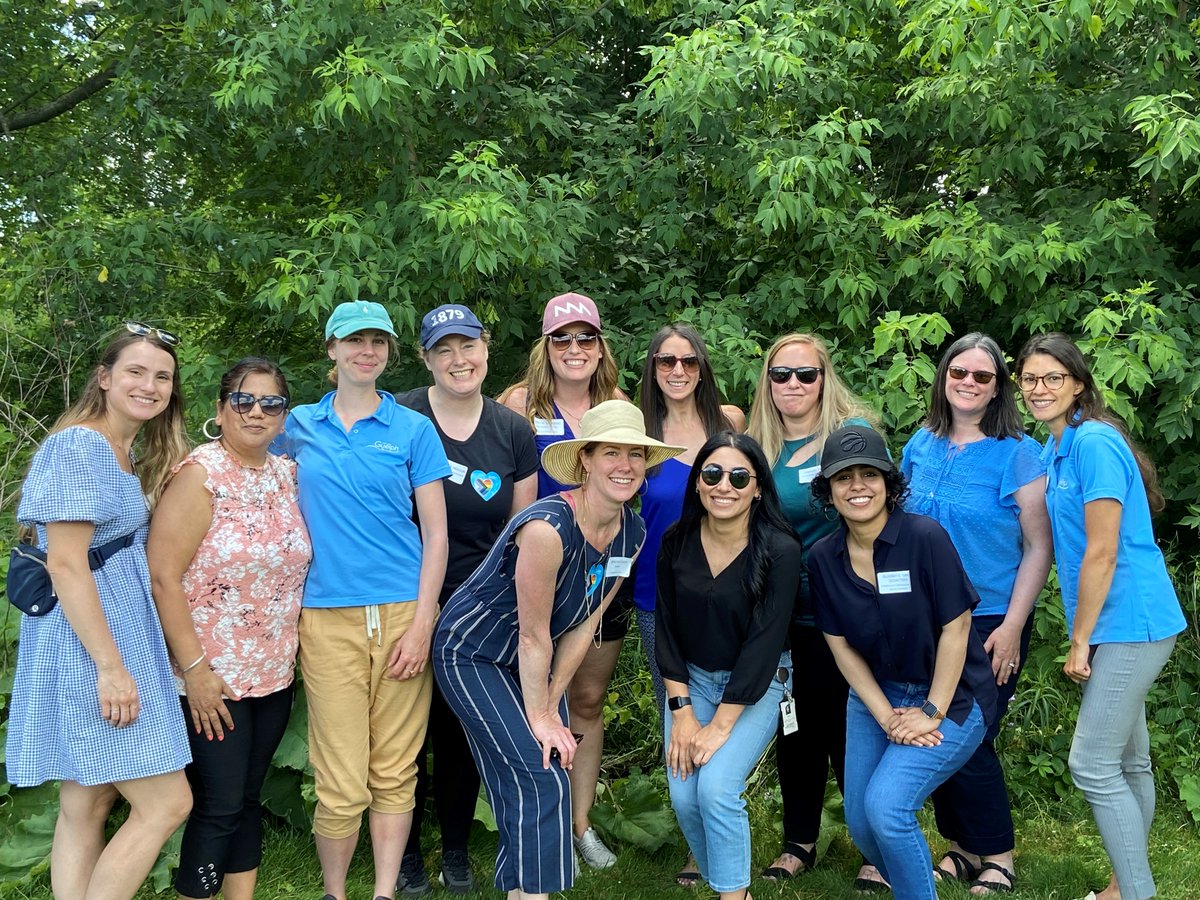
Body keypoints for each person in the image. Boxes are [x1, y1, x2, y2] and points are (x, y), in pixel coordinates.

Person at [432, 400, 685, 900]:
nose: (625, 466)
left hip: (535, 656)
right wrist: (542, 716)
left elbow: (585, 621)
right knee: (539, 767)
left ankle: (523, 888)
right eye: (611, 452)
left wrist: (552, 703)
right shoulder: (548, 527)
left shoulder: (632, 532)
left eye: (635, 455)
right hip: (475, 650)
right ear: (585, 459)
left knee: (550, 767)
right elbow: (532, 634)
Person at [6, 322, 193, 899]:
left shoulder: (122, 449)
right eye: (136, 372)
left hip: (109, 633)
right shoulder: (78, 447)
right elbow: (65, 564)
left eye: (162, 377)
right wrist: (111, 669)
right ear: (105, 377)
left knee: (88, 797)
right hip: (88, 643)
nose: (150, 385)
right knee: (167, 803)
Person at [273, 300, 451, 900]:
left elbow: (437, 533)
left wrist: (423, 624)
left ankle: (383, 892)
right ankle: (335, 892)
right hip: (325, 616)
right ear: (332, 349)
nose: (366, 350)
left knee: (396, 770)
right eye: (354, 340)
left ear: (389, 352)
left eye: (377, 341)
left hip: (404, 611)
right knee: (341, 779)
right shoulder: (295, 427)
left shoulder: (412, 429)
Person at [1015, 334, 1185, 900]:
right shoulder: (1057, 446)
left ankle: (1137, 894)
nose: (1039, 388)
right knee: (1130, 762)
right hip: (1119, 622)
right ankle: (1122, 885)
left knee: (1090, 763)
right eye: (1030, 379)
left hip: (1132, 622)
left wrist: (1079, 639)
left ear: (1079, 385)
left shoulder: (1094, 443)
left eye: (1052, 379)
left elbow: (1103, 551)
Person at [807, 425, 997, 900]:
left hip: (952, 697)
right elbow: (840, 646)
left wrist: (930, 711)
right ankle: (910, 878)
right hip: (877, 695)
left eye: (869, 474)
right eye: (843, 477)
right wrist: (886, 716)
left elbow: (956, 629)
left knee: (887, 807)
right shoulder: (823, 558)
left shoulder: (924, 537)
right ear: (828, 491)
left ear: (889, 483)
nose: (857, 487)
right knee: (861, 822)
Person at [147, 357, 312, 900]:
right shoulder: (201, 476)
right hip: (212, 677)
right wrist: (195, 672)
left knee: (246, 798)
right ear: (220, 411)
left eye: (271, 403)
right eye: (244, 400)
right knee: (216, 804)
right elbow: (163, 578)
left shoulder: (286, 475)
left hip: (272, 673)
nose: (257, 411)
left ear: (284, 417)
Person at [394, 304, 539, 895]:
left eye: (468, 346)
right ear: (426, 358)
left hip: (478, 611)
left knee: (459, 736)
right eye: (443, 349)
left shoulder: (511, 430)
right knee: (403, 735)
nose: (458, 359)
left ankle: (455, 850)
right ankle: (402, 854)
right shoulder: (400, 415)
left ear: (486, 349)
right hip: (404, 599)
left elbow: (524, 531)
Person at [900, 333, 1053, 895]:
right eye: (958, 372)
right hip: (923, 618)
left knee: (973, 734)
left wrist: (1013, 626)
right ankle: (962, 846)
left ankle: (1000, 854)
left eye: (982, 376)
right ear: (943, 378)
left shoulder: (1019, 452)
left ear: (997, 389)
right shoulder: (921, 443)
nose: (968, 382)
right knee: (936, 730)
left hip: (990, 617)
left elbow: (1039, 546)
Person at [744, 333, 881, 888]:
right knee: (793, 730)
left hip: (845, 611)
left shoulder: (850, 440)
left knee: (854, 730)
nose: (793, 385)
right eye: (781, 375)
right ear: (767, 382)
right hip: (779, 615)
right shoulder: (755, 445)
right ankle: (800, 841)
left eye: (806, 374)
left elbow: (880, 514)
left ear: (825, 378)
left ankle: (874, 844)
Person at [499, 291, 630, 868]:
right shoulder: (518, 406)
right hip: (540, 578)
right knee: (533, 701)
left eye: (586, 338)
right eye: (562, 338)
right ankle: (541, 821)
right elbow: (512, 498)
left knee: (587, 698)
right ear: (545, 347)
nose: (574, 349)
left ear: (601, 348)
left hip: (602, 574)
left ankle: (580, 825)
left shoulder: (619, 404)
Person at [656, 432, 800, 900]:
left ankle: (731, 895)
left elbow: (764, 642)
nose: (725, 486)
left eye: (740, 476)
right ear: (697, 482)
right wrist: (681, 713)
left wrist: (720, 723)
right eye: (712, 474)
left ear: (757, 487)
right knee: (684, 793)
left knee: (716, 788)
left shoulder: (779, 549)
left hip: (757, 684)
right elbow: (668, 632)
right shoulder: (676, 541)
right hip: (691, 679)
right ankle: (730, 877)